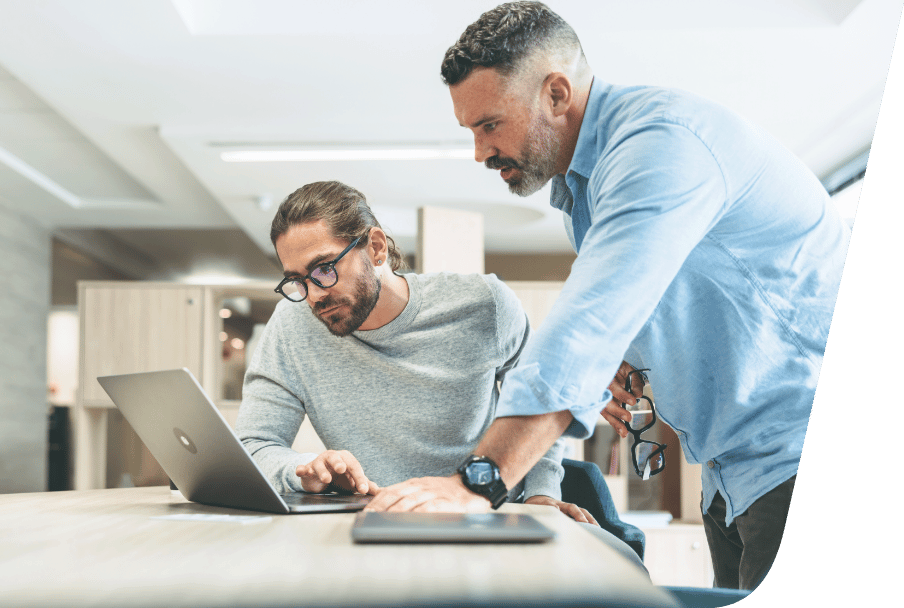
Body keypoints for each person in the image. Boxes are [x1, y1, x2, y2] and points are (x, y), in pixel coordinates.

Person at [366, 1, 848, 591]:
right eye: (471, 131)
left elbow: (588, 324)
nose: (480, 152)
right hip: (734, 477)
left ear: (557, 94)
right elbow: (642, 310)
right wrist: (632, 364)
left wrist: (477, 483)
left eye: (490, 124)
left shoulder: (661, 145)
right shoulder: (583, 190)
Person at [233, 180, 645, 560]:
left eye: (324, 269)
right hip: (373, 528)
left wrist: (541, 494)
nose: (313, 296)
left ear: (375, 248)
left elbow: (542, 404)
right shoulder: (290, 326)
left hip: (487, 518)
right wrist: (301, 470)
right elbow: (254, 445)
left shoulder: (484, 305)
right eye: (297, 281)